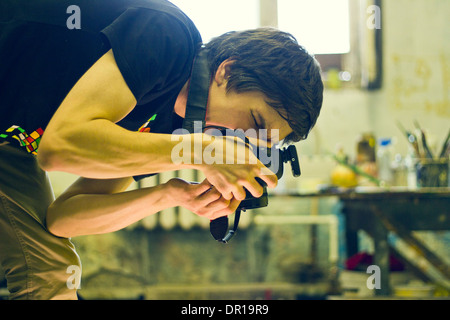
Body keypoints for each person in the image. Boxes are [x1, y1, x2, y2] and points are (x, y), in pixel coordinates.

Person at [0, 0, 323, 299]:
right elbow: (58, 149)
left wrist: (170, 195)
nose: (243, 139)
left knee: (52, 269)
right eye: (254, 120)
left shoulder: (176, 130)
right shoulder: (168, 35)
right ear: (226, 72)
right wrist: (198, 151)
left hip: (8, 142)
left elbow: (62, 219)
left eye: (258, 141)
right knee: (50, 270)